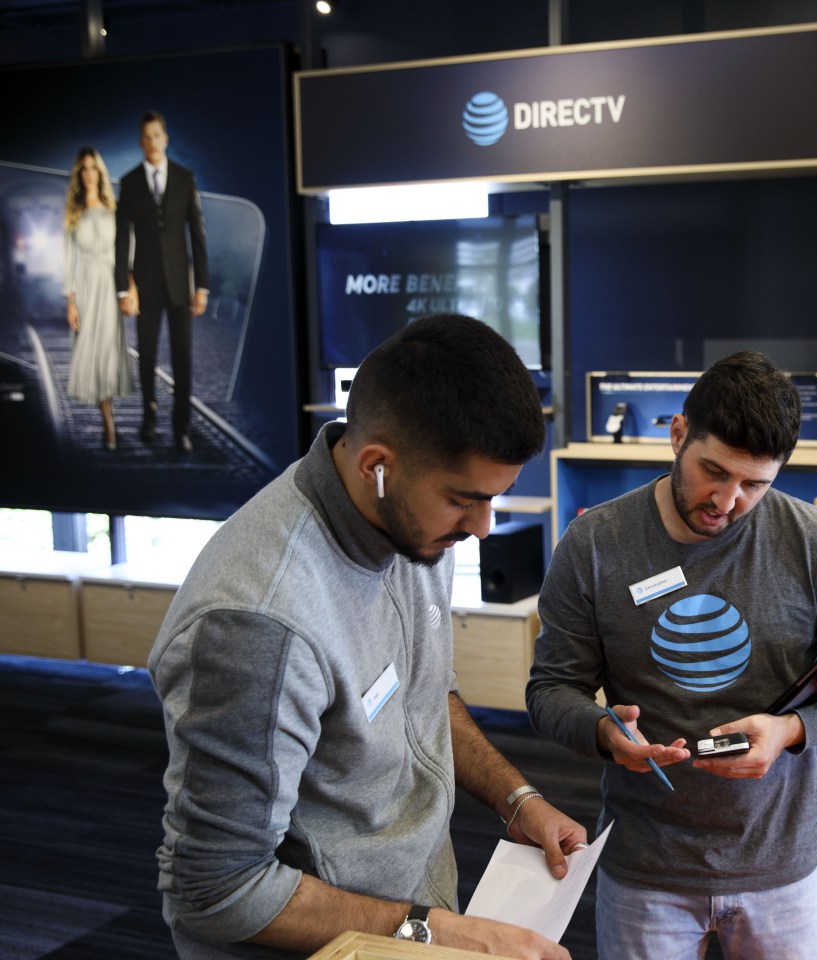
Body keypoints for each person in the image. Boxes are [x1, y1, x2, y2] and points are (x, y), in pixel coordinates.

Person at [149, 315, 584, 960]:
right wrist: (442, 932)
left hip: (414, 916)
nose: (485, 527)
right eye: (466, 500)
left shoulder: (415, 524)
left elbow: (422, 692)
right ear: (377, 465)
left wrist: (516, 799)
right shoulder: (258, 624)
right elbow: (216, 889)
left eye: (497, 499)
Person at [527, 351, 817, 959]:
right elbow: (551, 689)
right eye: (714, 471)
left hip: (781, 865)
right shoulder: (595, 544)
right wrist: (603, 731)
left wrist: (792, 729)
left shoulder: (814, 541)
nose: (728, 500)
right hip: (646, 865)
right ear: (678, 434)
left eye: (755, 484)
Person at [114, 109, 208, 453]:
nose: (152, 141)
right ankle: (149, 418)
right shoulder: (130, 182)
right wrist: (124, 287)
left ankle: (181, 426)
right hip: (145, 285)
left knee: (183, 357)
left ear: (165, 139)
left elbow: (197, 233)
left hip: (181, 286)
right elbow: (122, 239)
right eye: (146, 137)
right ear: (141, 142)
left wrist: (202, 286)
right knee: (148, 356)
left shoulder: (185, 177)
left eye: (157, 135)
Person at [63, 146, 132, 450]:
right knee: (90, 352)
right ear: (79, 174)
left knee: (108, 349)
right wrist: (70, 299)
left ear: (99, 172)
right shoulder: (73, 212)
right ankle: (107, 418)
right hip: (86, 286)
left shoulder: (114, 208)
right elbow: (67, 258)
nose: (89, 173)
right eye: (84, 168)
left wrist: (132, 286)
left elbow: (128, 250)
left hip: (111, 282)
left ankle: (109, 421)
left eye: (93, 167)